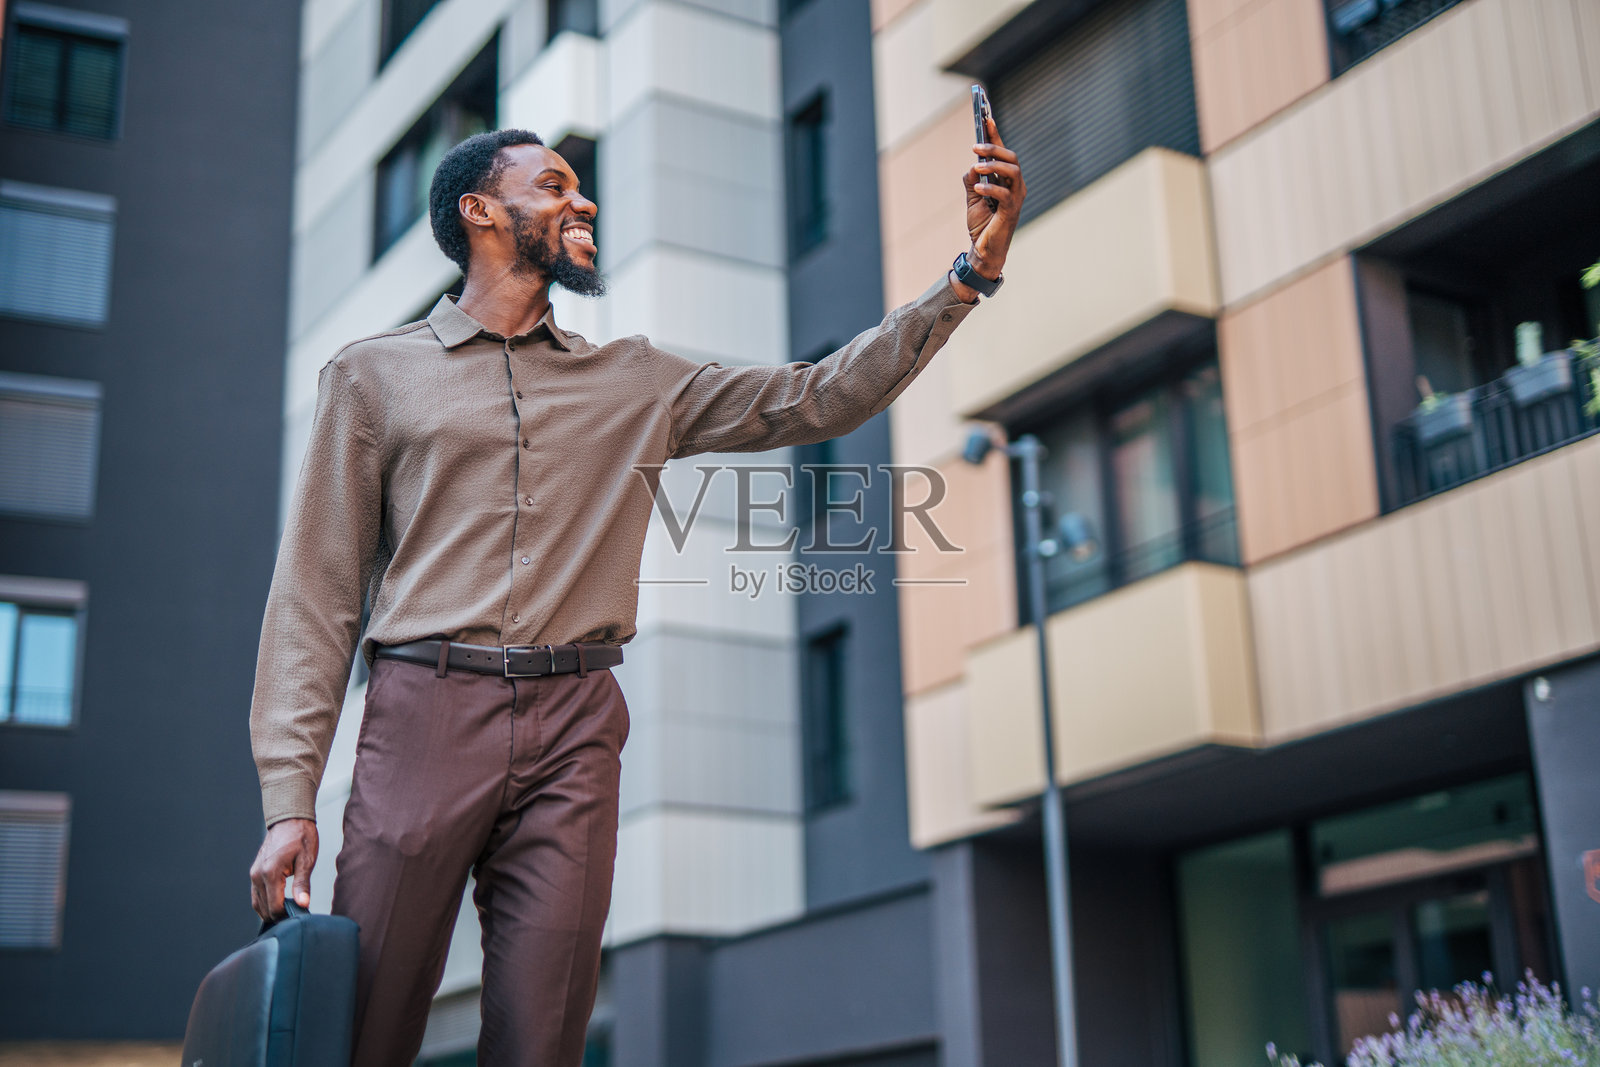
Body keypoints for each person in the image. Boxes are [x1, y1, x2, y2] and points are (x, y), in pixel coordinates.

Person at [246, 117, 1025, 1065]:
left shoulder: (635, 379)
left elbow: (820, 394)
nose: (583, 200)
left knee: (545, 1036)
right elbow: (315, 596)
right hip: (424, 714)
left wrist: (968, 276)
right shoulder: (373, 376)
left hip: (577, 723)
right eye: (554, 185)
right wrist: (289, 800)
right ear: (480, 211)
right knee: (363, 1024)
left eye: (579, 185)